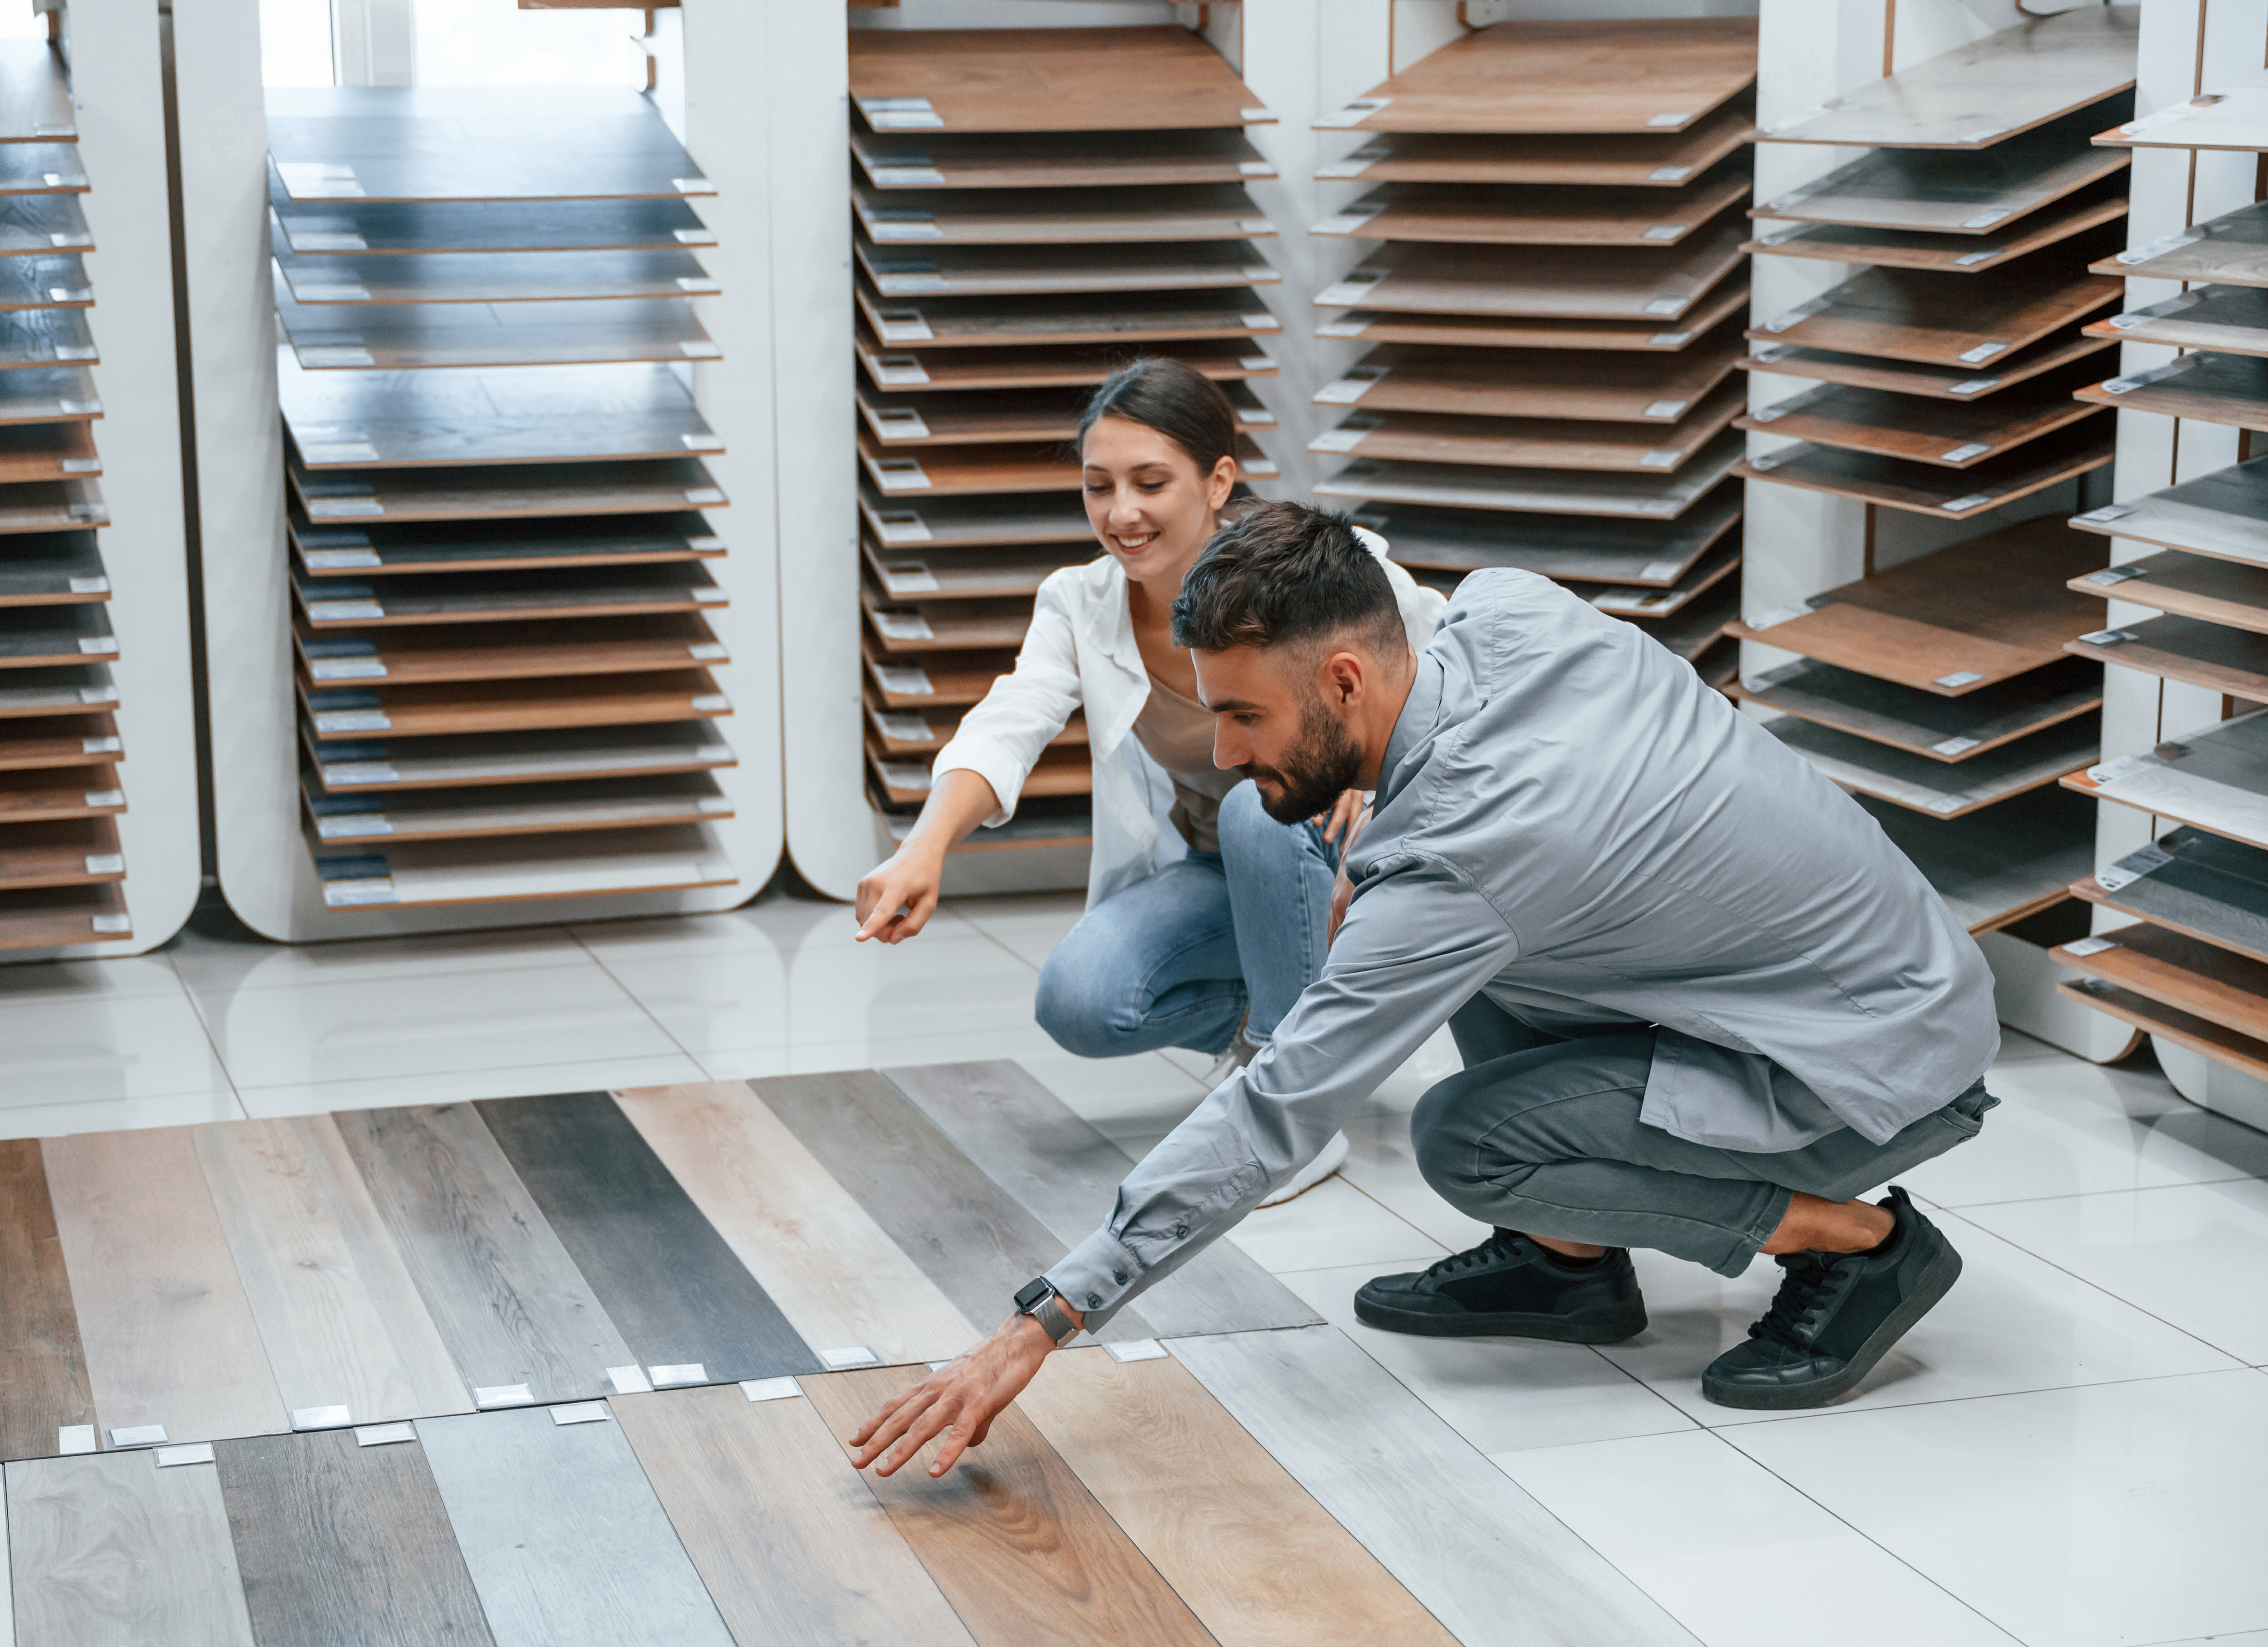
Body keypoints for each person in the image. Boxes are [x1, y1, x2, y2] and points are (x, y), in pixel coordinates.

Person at [850, 500, 2000, 1480]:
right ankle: (1569, 1266)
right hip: (1879, 979)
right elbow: (1457, 782)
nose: (1222, 754)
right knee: (1447, 934)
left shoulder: (1464, 862)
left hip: (1872, 1068)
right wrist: (1369, 844)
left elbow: (1274, 1113)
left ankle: (1857, 1241)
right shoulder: (1505, 606)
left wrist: (1041, 1319)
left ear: (1343, 680)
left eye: (1244, 715)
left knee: (1466, 1142)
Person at [855, 359, 1445, 1203]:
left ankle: (1289, 1116)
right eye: (1098, 487)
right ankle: (1278, 1037)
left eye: (1150, 482)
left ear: (1218, 481)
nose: (1121, 513)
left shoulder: (1316, 571)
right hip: (1221, 867)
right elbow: (1009, 719)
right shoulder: (1080, 603)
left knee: (1256, 806)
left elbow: (1446, 664)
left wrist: (1375, 764)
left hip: (1341, 858)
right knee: (1082, 1000)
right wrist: (926, 846)